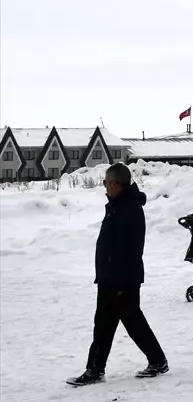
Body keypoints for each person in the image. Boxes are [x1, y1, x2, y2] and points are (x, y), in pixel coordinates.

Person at [67, 163, 168, 386]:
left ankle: (158, 361)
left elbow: (129, 249)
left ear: (114, 183)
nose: (104, 187)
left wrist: (119, 278)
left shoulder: (128, 209)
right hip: (109, 277)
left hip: (121, 278)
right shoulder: (118, 205)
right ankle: (95, 369)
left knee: (133, 323)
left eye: (105, 182)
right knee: (103, 325)